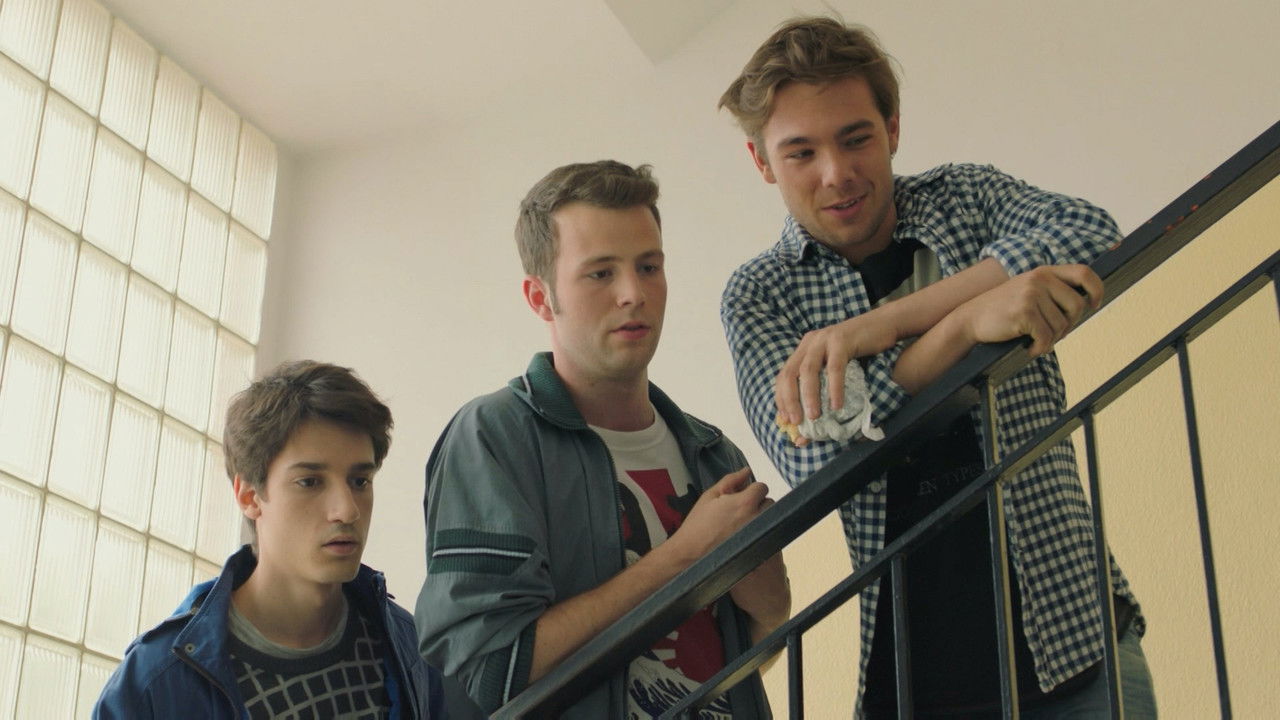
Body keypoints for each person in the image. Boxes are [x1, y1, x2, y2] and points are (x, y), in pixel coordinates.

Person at [718, 17, 1156, 718]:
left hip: (1076, 633)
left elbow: (1091, 232)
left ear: (892, 128)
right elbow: (811, 454)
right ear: (762, 162)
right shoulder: (760, 294)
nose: (836, 173)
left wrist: (884, 326)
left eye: (855, 138)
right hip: (915, 679)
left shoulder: (964, 197)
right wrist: (963, 324)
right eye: (801, 152)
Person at [416, 160, 789, 719]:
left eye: (649, 266)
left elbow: (753, 651)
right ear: (540, 298)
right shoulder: (493, 436)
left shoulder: (713, 452)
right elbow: (490, 671)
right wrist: (684, 555)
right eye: (600, 274)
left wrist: (772, 606)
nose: (633, 293)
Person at [94, 360, 446, 719]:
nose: (347, 510)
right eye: (310, 482)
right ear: (249, 497)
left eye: (360, 482)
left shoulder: (410, 650)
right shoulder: (156, 681)